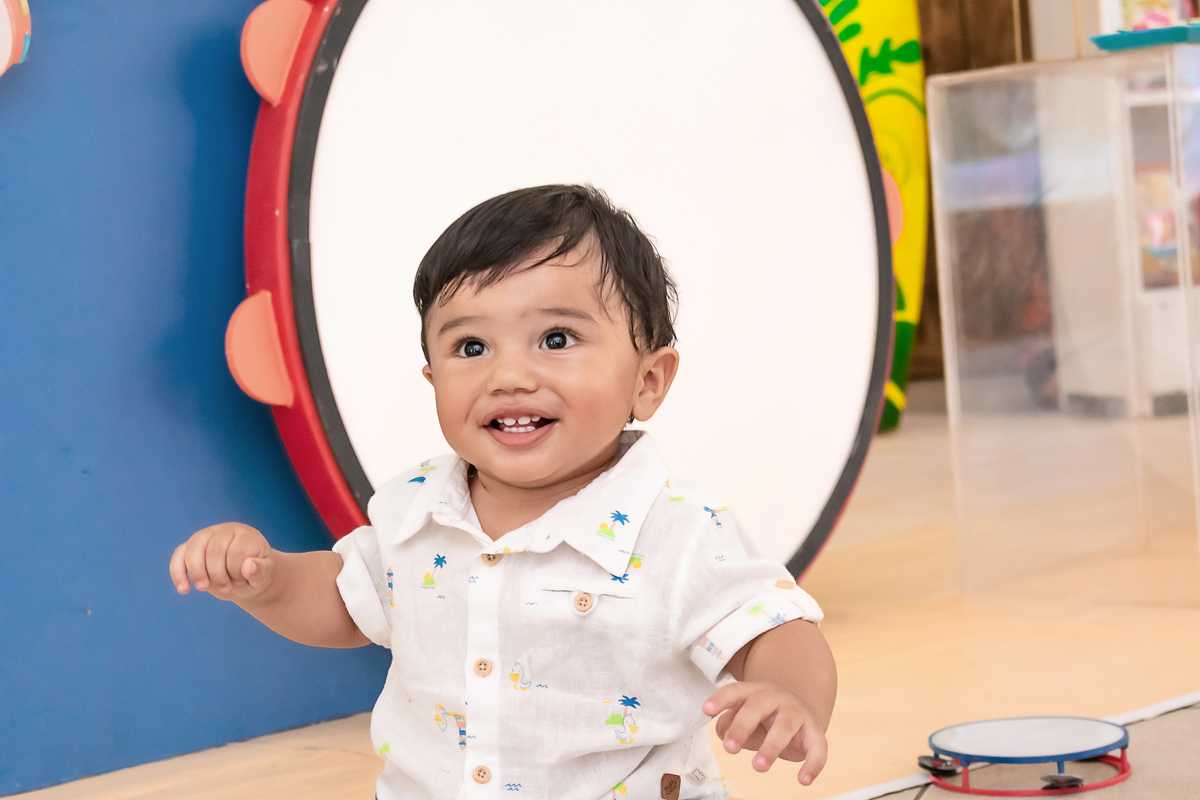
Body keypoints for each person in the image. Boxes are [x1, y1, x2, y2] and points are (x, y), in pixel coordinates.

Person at [169, 184, 837, 800]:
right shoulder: (415, 511)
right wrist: (269, 579)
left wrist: (787, 694)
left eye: (556, 338)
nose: (510, 374)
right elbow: (345, 603)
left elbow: (776, 630)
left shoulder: (680, 531)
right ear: (433, 379)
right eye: (471, 348)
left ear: (649, 381)